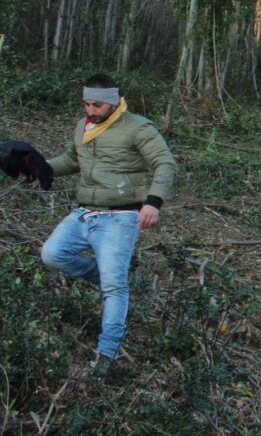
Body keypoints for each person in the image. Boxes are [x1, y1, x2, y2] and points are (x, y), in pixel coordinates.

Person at [40, 73, 176, 379]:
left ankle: (106, 355)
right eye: (87, 103)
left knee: (115, 289)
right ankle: (108, 277)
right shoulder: (84, 127)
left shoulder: (138, 127)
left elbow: (165, 163)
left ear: (114, 102)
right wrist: (40, 168)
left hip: (120, 216)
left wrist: (153, 202)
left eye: (97, 104)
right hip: (83, 213)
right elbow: (73, 160)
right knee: (51, 254)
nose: (90, 109)